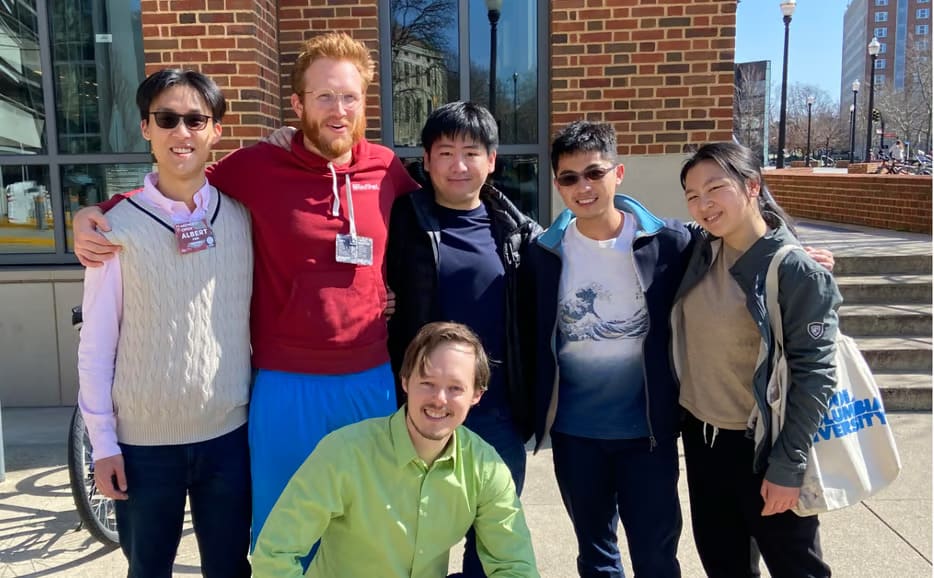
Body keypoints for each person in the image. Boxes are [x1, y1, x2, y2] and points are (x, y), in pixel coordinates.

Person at [70, 32, 420, 544]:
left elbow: (437, 218)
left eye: (349, 96)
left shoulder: (386, 167)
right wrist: (96, 212)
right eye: (323, 96)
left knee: (367, 533)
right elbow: (181, 178)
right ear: (298, 104)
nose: (338, 110)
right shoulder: (258, 166)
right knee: (286, 535)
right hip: (284, 383)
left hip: (370, 378)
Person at [77, 69, 252, 577]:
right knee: (148, 569)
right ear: (145, 128)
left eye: (196, 119)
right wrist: (103, 443)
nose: (182, 132)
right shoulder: (115, 229)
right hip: (143, 447)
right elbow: (97, 345)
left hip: (228, 437)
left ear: (216, 130)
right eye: (167, 118)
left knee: (229, 568)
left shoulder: (242, 218)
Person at [527, 121, 689, 577]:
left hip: (648, 435)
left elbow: (736, 232)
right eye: (569, 178)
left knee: (656, 557)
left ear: (618, 173)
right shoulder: (543, 254)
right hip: (576, 436)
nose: (584, 187)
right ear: (557, 183)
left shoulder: (669, 243)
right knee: (596, 558)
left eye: (595, 173)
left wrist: (789, 246)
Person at [385, 101, 540, 577]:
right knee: (408, 531)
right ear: (425, 160)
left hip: (494, 410)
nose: (458, 165)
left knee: (490, 538)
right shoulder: (401, 219)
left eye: (470, 152)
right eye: (445, 151)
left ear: (492, 160)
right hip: (418, 406)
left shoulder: (516, 231)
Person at [252, 321, 539, 578]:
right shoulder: (344, 453)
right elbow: (276, 553)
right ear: (404, 381)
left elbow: (515, 566)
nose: (439, 399)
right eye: (427, 383)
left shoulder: (485, 466)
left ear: (477, 394)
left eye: (455, 388)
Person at [671, 141, 839, 578]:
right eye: (692, 195)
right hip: (703, 442)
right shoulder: (701, 252)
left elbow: (815, 376)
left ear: (752, 186)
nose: (703, 204)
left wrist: (789, 465)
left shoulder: (794, 269)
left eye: (715, 188)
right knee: (724, 566)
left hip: (762, 448)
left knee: (795, 566)